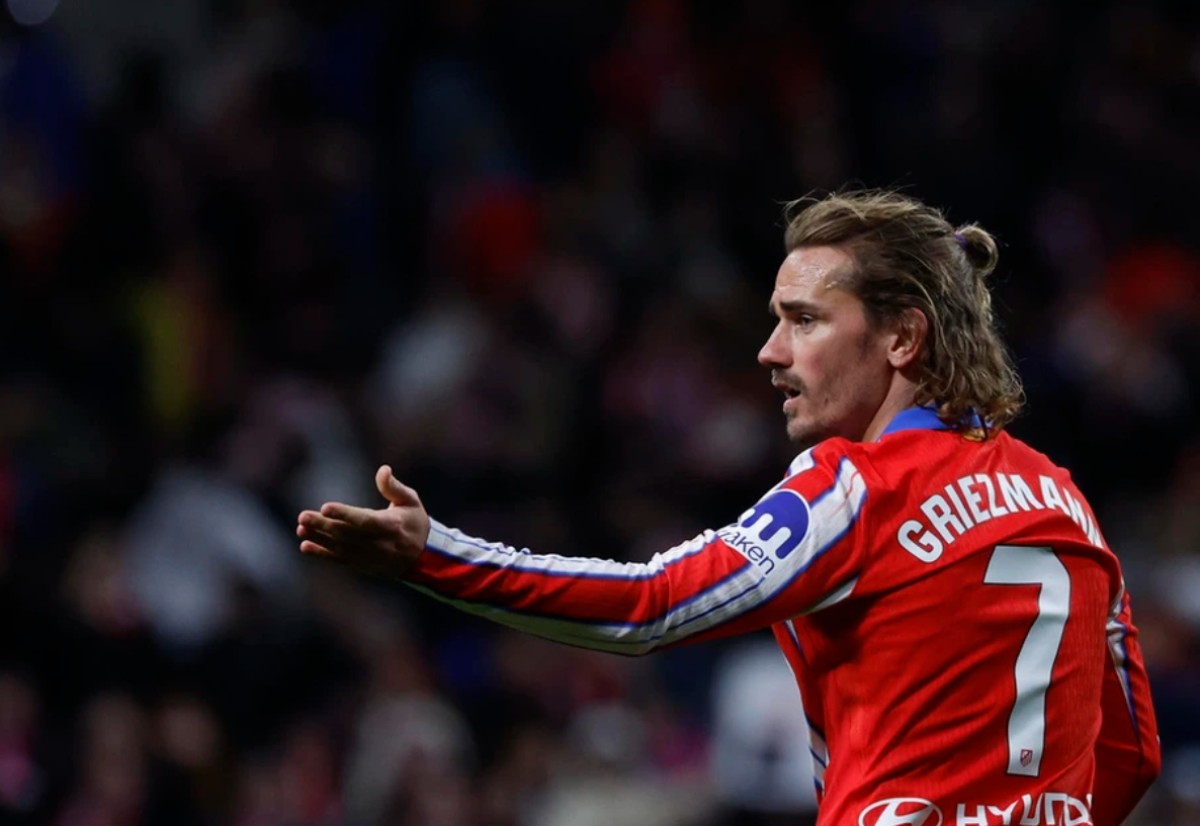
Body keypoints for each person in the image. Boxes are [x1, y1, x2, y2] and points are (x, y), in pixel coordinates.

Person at [296, 190, 1161, 826]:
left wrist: (433, 555)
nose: (770, 352)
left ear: (902, 337)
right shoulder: (1065, 501)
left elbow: (651, 603)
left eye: (804, 321)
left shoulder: (858, 488)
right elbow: (1131, 754)